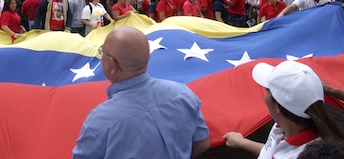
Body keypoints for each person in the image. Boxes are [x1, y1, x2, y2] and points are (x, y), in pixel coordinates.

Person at [72, 27, 210, 159]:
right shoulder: (183, 94)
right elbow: (202, 144)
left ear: (112, 64)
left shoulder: (100, 121)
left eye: (102, 52)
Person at [223, 61, 344, 158]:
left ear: (278, 108)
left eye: (267, 90)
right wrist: (242, 143)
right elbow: (273, 153)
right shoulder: (283, 125)